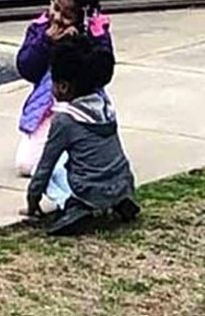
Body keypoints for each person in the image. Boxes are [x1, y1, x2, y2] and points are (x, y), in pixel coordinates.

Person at [20, 35, 140, 236]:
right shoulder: (106, 108)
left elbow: (45, 167)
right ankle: (119, 200)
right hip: (122, 182)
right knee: (94, 156)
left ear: (63, 87)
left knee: (44, 168)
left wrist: (32, 202)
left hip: (88, 189)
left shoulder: (64, 121)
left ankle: (74, 205)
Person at [14, 0, 114, 177]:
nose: (57, 18)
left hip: (81, 108)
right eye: (55, 8)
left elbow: (103, 74)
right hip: (47, 108)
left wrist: (77, 46)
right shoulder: (41, 28)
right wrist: (46, 42)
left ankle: (77, 155)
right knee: (25, 165)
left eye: (67, 16)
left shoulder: (95, 35)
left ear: (82, 19)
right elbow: (26, 68)